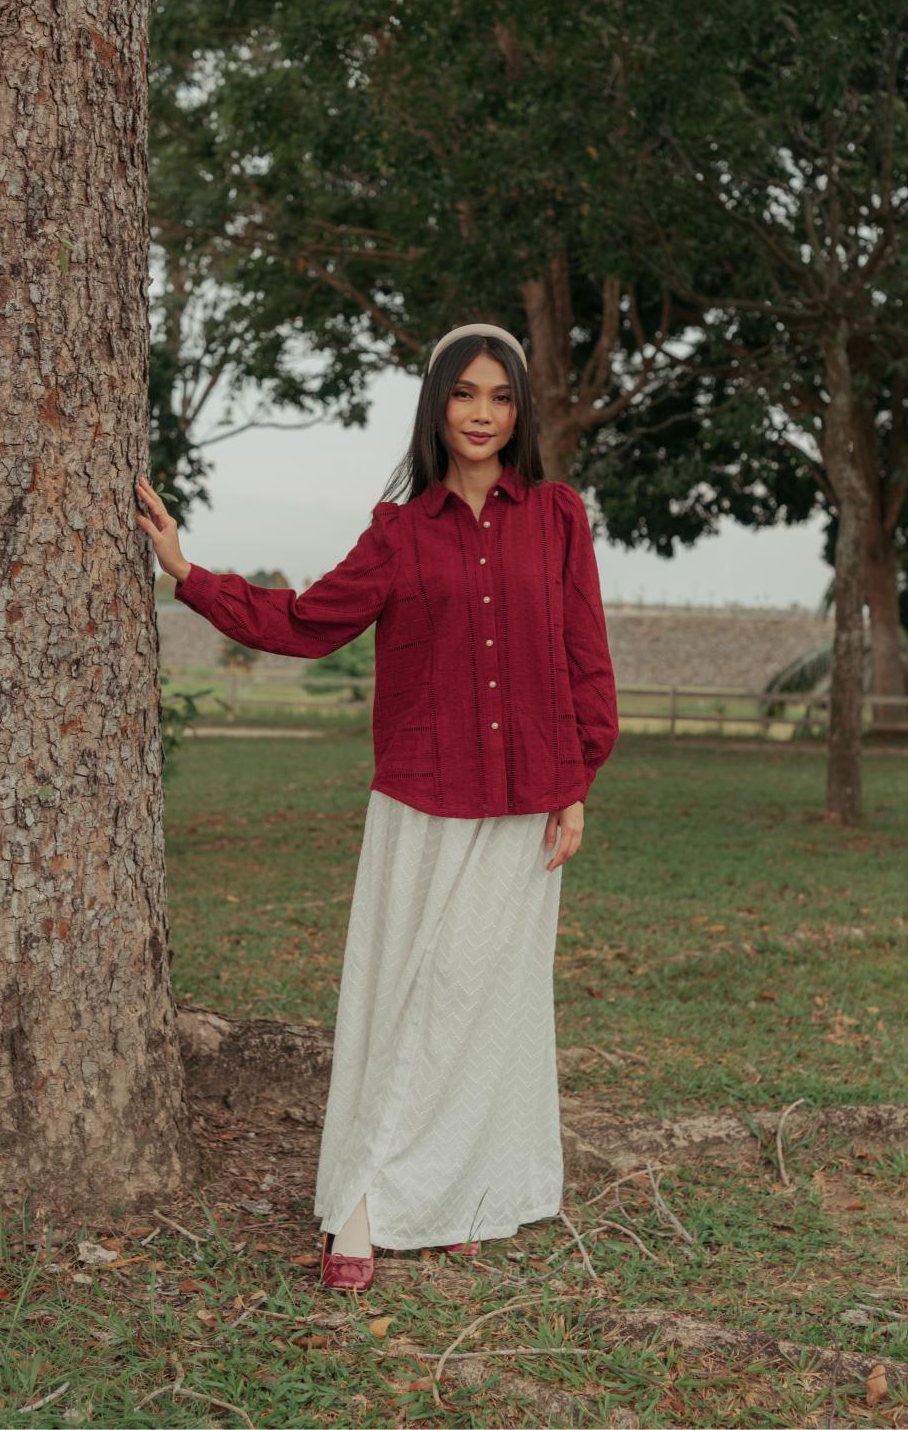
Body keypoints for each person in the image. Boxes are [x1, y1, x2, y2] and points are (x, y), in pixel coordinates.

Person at [134, 321, 619, 1294]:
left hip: (527, 805)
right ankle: (356, 1202)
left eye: (499, 397)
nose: (481, 413)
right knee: (408, 1003)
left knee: (487, 1009)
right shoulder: (399, 532)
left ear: (516, 412)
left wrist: (576, 782)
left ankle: (453, 1199)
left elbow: (585, 660)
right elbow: (307, 621)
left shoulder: (559, 516)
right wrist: (190, 577)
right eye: (464, 394)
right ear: (437, 406)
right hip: (423, 802)